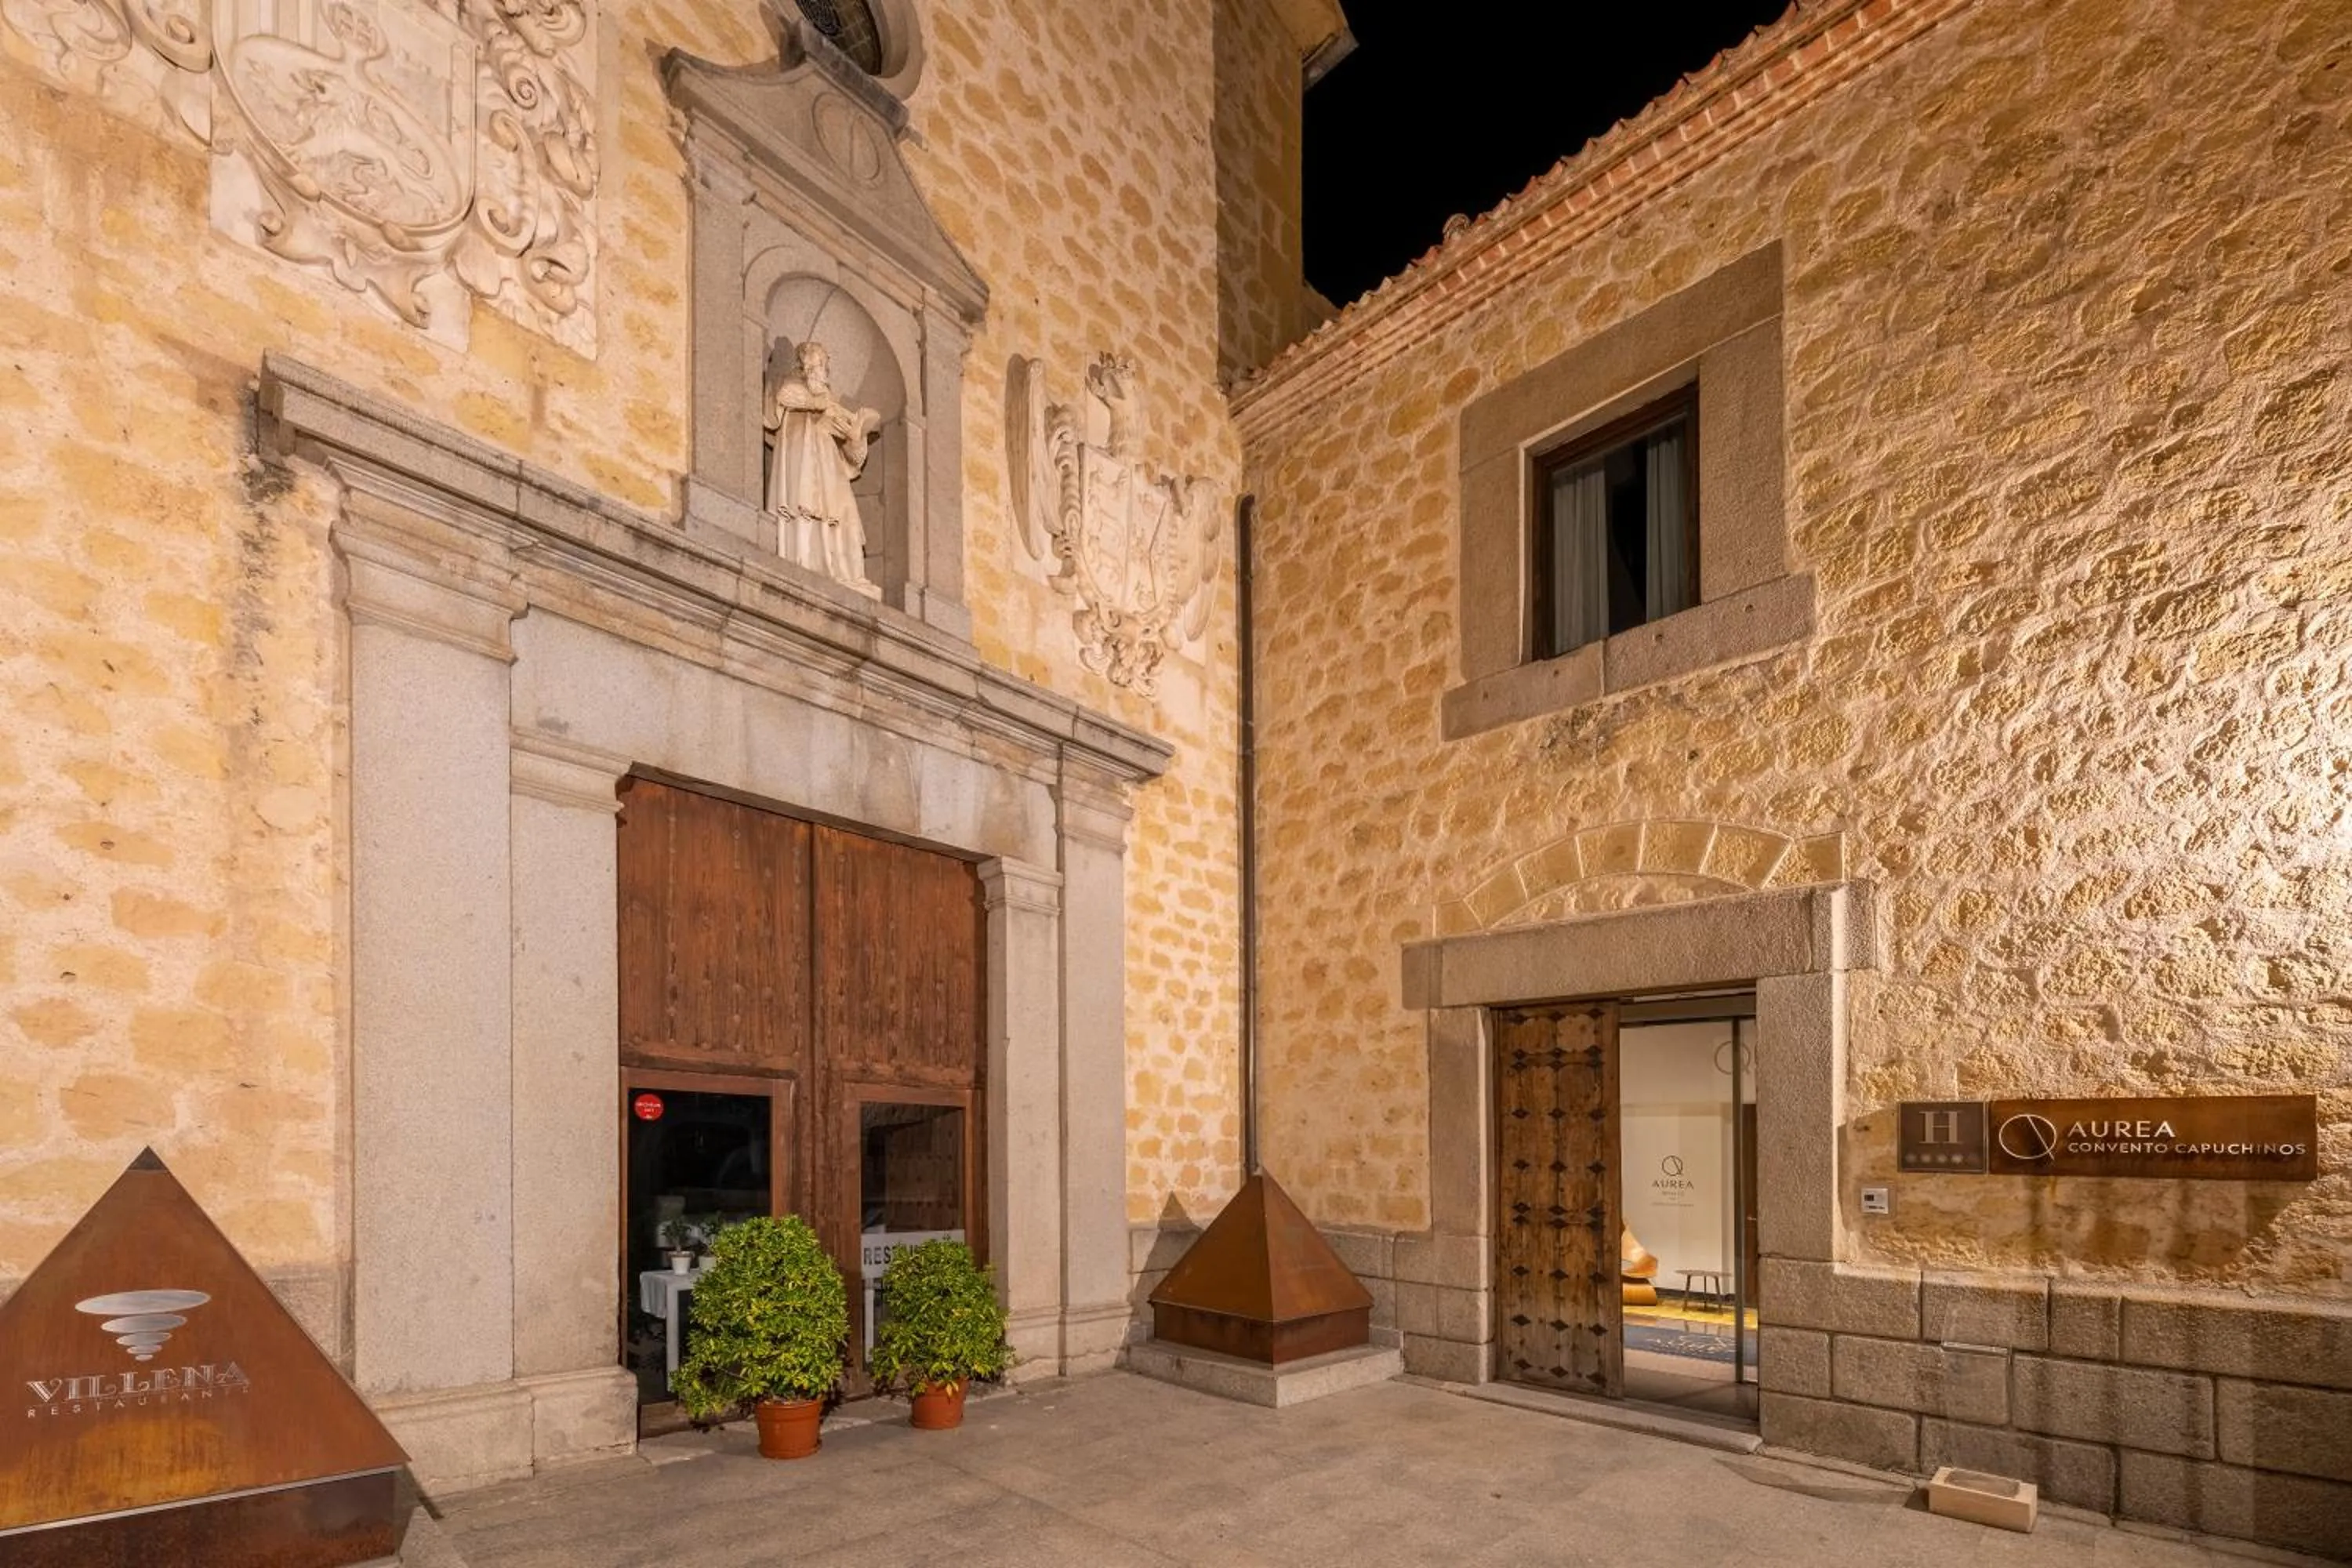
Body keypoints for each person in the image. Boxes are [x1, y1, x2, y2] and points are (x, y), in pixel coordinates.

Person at [764, 339, 881, 594]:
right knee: (806, 504)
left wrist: (856, 437)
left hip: (831, 466)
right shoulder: (792, 385)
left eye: (826, 365)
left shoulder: (830, 402)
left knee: (846, 513)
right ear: (809, 364)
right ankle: (805, 561)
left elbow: (853, 459)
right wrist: (822, 401)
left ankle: (847, 574)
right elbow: (785, 397)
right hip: (803, 456)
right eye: (822, 363)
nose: (825, 369)